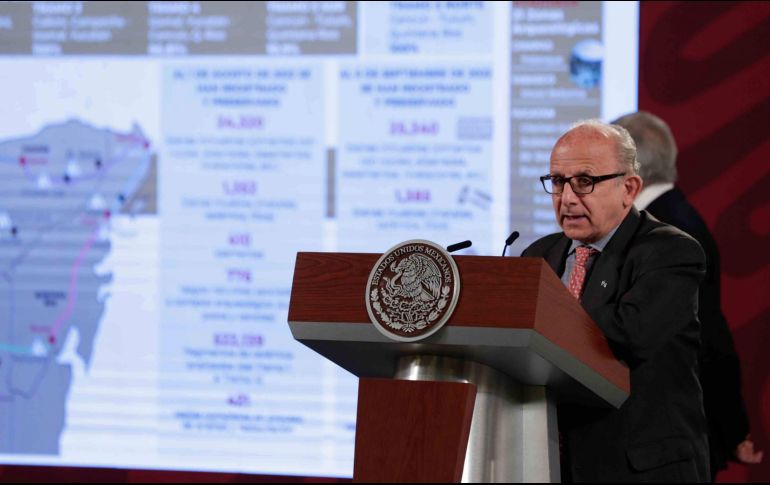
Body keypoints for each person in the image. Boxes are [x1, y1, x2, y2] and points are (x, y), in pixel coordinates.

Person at [522, 119, 710, 481]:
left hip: (639, 466)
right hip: (555, 464)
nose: (568, 198)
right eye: (558, 182)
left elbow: (631, 332)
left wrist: (539, 324)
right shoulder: (539, 254)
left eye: (585, 181)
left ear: (629, 188)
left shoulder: (671, 251)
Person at [613, 111, 763, 480]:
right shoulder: (669, 217)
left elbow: (707, 332)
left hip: (669, 432)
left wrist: (730, 423)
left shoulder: (670, 231)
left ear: (630, 167)